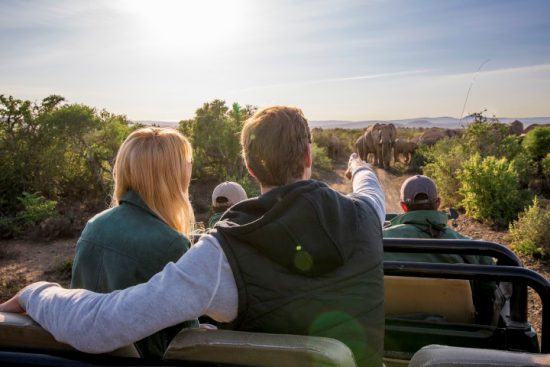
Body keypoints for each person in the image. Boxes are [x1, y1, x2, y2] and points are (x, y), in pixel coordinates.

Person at [0, 106, 386, 367]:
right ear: (307, 157)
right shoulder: (368, 215)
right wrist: (358, 168)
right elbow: (372, 188)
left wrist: (38, 293)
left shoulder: (220, 255)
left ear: (249, 169)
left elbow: (101, 324)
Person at [70, 127, 199, 358]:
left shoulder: (94, 226)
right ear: (172, 174)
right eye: (187, 164)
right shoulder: (171, 244)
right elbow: (183, 336)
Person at [383, 174, 495, 323]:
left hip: (393, 328)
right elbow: (489, 288)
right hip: (459, 332)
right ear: (438, 203)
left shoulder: (380, 240)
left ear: (403, 206)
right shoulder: (471, 247)